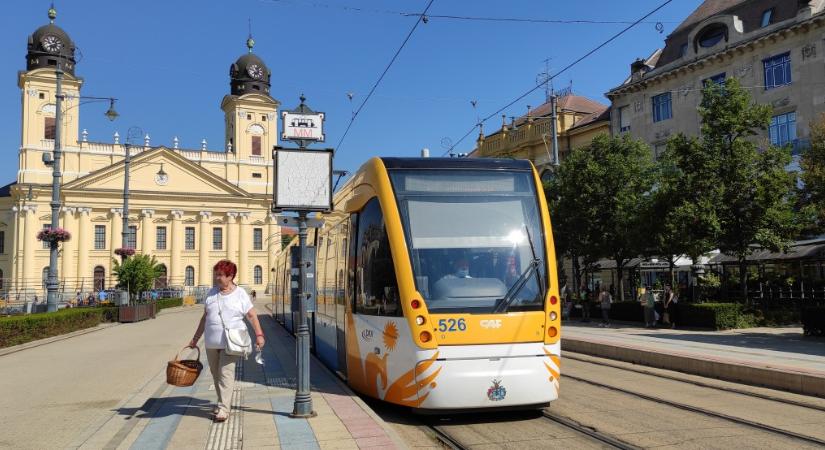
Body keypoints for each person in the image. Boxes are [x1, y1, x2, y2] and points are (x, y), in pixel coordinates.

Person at [188, 260, 265, 423]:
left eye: (220, 275)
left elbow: (251, 315)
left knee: (226, 374)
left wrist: (259, 335)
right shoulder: (211, 293)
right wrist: (195, 339)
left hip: (231, 343)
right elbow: (205, 317)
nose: (217, 278)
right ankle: (222, 401)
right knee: (216, 375)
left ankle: (223, 408)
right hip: (211, 342)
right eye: (216, 274)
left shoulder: (240, 294)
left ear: (230, 276)